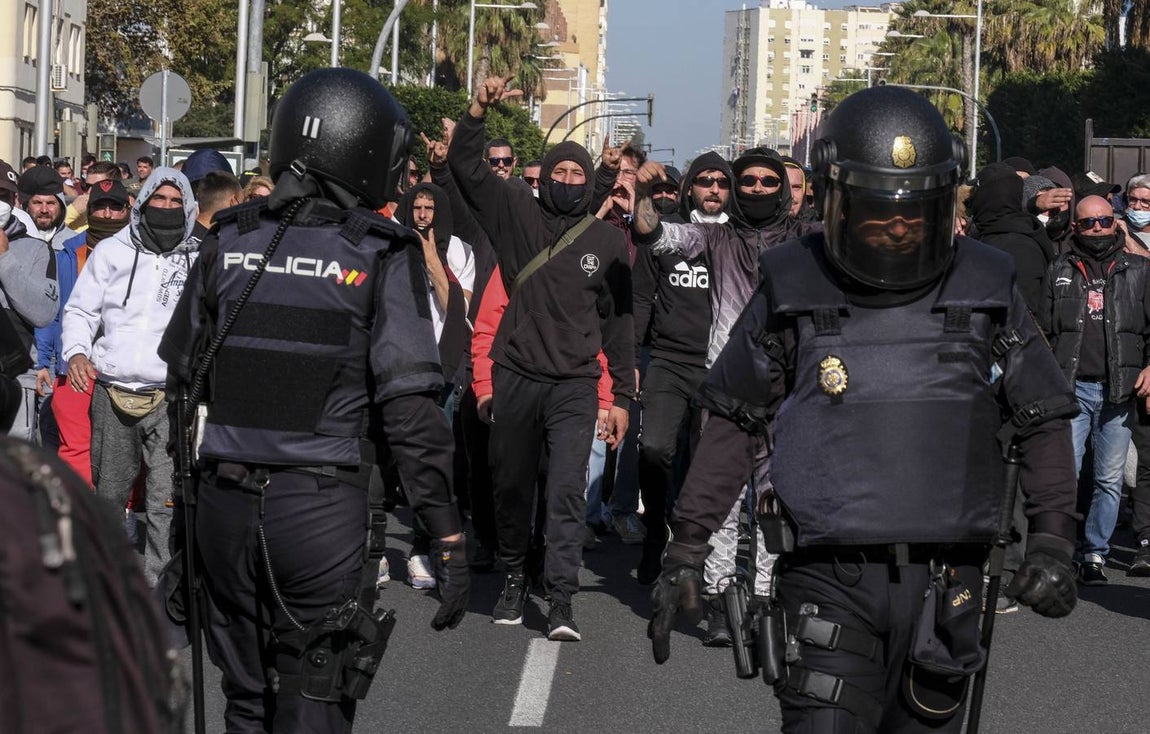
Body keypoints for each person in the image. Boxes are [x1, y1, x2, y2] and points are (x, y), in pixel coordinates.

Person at [648, 86, 1080, 733]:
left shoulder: (988, 281)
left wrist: (1051, 538)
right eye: (879, 211)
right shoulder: (792, 280)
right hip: (827, 575)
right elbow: (734, 418)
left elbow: (1042, 413)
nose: (898, 227)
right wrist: (686, 546)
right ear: (835, 199)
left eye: (915, 211)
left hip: (949, 578)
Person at [159, 68, 469, 732]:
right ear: (357, 147)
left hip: (222, 508)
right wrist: (445, 531)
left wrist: (188, 531)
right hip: (319, 511)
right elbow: (411, 412)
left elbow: (182, 381)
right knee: (314, 702)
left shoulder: (228, 238)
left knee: (246, 702)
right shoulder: (382, 251)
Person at [448, 75, 633, 641]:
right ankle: (512, 575)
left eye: (579, 174)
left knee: (566, 492)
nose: (568, 181)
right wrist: (477, 111)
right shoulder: (514, 211)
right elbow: (466, 167)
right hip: (516, 376)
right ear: (545, 174)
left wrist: (620, 398)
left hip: (575, 384)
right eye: (560, 171)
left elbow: (619, 323)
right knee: (510, 487)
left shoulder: (606, 241)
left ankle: (560, 597)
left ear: (589, 183)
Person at [61, 168, 198, 586]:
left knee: (164, 499)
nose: (167, 207)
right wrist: (77, 351)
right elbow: (81, 310)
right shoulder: (111, 251)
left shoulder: (198, 256)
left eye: (176, 202)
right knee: (110, 493)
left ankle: (159, 588)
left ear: (188, 207)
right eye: (160, 199)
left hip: (171, 396)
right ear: (144, 202)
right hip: (112, 390)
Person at [1039, 194, 1150, 586]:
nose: (1098, 228)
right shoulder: (1059, 269)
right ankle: (1062, 551)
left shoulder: (1139, 269)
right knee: (1065, 477)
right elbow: (1044, 331)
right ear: (1076, 227)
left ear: (1115, 223)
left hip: (1118, 391)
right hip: (1072, 389)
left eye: (1104, 220)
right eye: (1089, 222)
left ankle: (1095, 554)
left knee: (1109, 479)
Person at [35, 178, 132, 481]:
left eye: (114, 207)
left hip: (123, 368)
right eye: (100, 206)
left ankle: (121, 511)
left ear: (127, 210)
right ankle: (78, 506)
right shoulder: (68, 251)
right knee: (75, 446)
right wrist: (44, 361)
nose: (107, 214)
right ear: (89, 211)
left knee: (122, 453)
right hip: (74, 365)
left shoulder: (142, 251)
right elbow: (53, 311)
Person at [0, 158, 60, 432]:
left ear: (15, 200)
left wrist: (4, 258)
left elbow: (43, 313)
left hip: (15, 376)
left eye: (3, 196)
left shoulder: (36, 249)